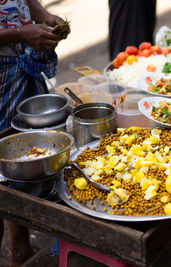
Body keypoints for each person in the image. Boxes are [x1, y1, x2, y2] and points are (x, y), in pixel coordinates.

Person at [0, 0, 68, 265]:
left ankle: (20, 247)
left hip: (19, 70)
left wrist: (43, 15)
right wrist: (21, 33)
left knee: (22, 157)